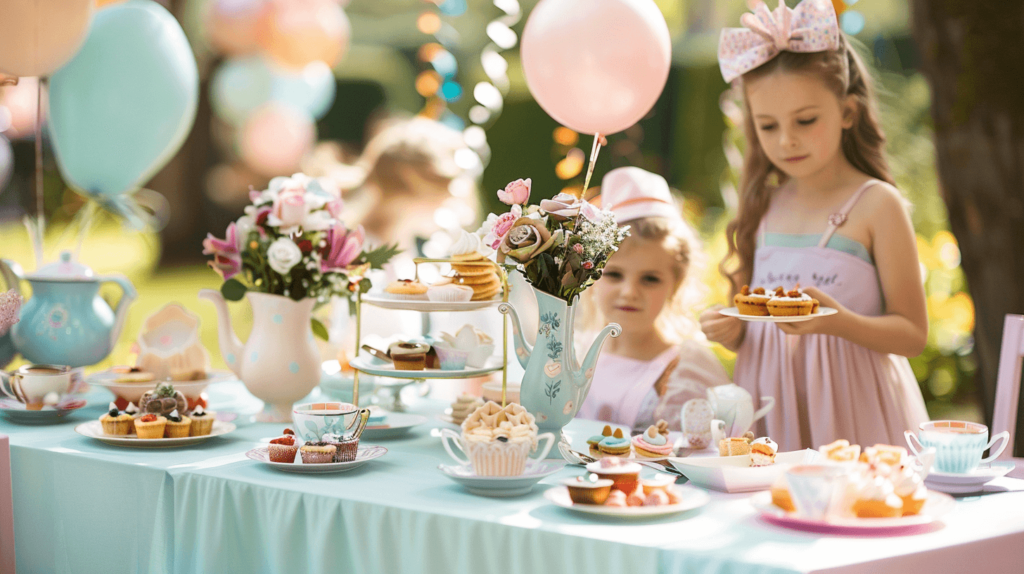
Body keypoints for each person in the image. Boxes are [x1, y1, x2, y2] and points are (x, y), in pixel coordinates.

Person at [699, 0, 929, 451]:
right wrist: (732, 330)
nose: (786, 140)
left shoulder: (877, 205)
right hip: (769, 410)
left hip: (853, 413)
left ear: (847, 112)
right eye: (767, 126)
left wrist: (839, 322)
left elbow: (913, 334)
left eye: (806, 120)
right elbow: (755, 317)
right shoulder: (763, 205)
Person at [576, 167, 731, 432]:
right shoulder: (575, 353)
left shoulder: (686, 372)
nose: (629, 292)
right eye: (613, 274)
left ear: (676, 284)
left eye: (650, 279)